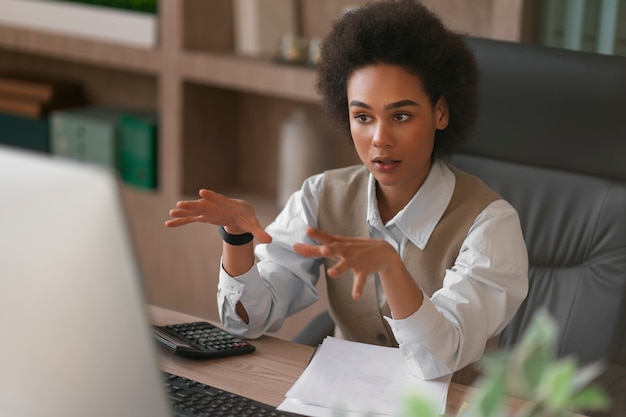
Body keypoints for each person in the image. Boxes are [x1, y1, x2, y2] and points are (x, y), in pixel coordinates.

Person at [166, 0, 528, 381]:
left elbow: (441, 355)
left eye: (401, 116)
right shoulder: (321, 195)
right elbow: (249, 322)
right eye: (363, 117)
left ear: (441, 112)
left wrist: (392, 267)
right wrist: (236, 240)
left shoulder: (490, 225)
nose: (380, 139)